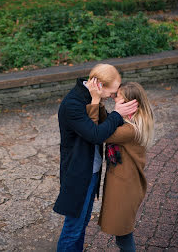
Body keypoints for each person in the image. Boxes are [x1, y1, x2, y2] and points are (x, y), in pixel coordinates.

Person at [54, 64, 138, 252]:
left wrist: (100, 103)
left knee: (82, 224)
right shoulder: (73, 104)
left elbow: (102, 122)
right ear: (98, 84)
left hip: (91, 170)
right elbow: (96, 134)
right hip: (78, 173)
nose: (114, 96)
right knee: (73, 229)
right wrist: (117, 114)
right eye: (113, 91)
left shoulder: (92, 98)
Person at [86, 81, 154, 252]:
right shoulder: (126, 121)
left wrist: (95, 102)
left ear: (132, 104)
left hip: (125, 188)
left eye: (119, 99)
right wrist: (100, 101)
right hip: (125, 184)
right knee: (122, 234)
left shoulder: (130, 130)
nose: (115, 100)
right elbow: (108, 121)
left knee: (124, 235)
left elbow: (97, 133)